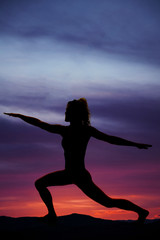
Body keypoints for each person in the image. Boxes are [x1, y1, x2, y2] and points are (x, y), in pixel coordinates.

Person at [4, 98, 152, 224]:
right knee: (40, 183)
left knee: (107, 202)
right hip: (69, 173)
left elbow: (111, 139)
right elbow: (39, 123)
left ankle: (141, 211)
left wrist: (135, 144)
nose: (65, 114)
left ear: (75, 114)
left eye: (68, 112)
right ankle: (52, 215)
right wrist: (20, 116)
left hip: (80, 175)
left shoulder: (86, 130)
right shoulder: (64, 130)